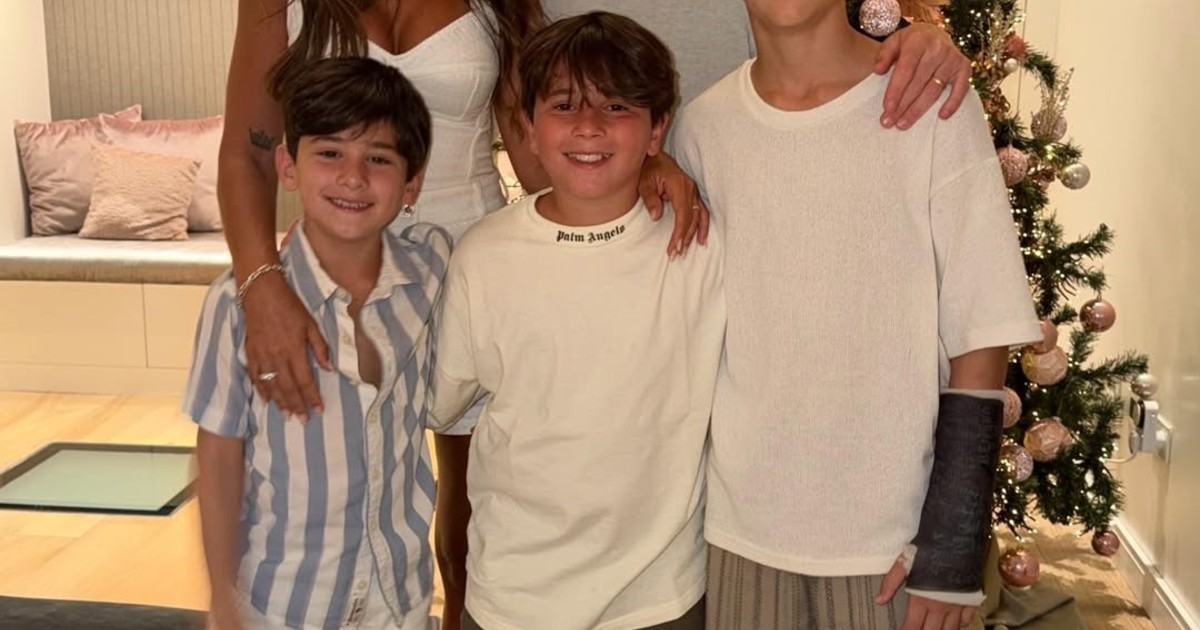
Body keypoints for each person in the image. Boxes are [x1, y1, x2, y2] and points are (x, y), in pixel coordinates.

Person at [219, 1, 968, 626]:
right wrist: (260, 284)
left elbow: (538, 132)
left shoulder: (499, 5)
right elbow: (246, 148)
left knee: (469, 527)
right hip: (344, 261)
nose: (590, 119)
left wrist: (632, 175)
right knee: (334, 495)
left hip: (471, 248)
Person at [670, 0, 1042, 628]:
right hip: (740, 530)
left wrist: (953, 543)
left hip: (890, 540)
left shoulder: (931, 104)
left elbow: (982, 326)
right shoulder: (702, 128)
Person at [426, 12, 725, 630]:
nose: (589, 125)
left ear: (657, 129)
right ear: (527, 128)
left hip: (658, 598)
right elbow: (439, 401)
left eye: (617, 106)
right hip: (513, 598)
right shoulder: (484, 255)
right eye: (564, 105)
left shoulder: (698, 244)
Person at [187, 57, 450, 630]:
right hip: (284, 605)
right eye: (329, 153)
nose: (353, 177)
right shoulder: (234, 305)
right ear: (288, 165)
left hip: (401, 601)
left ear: (412, 182)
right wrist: (221, 597)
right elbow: (218, 457)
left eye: (378, 159)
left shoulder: (432, 269)